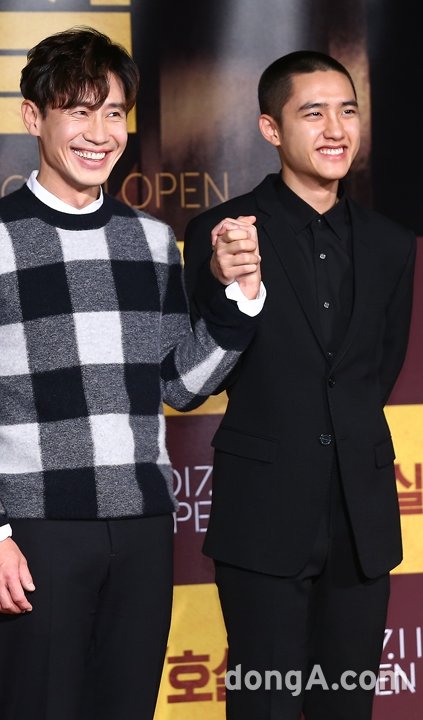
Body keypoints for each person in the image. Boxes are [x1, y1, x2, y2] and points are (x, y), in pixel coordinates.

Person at [0, 26, 264, 720]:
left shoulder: (151, 240)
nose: (99, 133)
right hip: (37, 526)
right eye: (77, 111)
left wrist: (238, 302)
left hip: (142, 524)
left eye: (113, 113)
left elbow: (177, 384)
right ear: (33, 117)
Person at [183, 50, 416, 719]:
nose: (335, 129)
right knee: (265, 704)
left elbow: (376, 370)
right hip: (263, 514)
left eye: (347, 111)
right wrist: (228, 285)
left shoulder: (391, 243)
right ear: (270, 128)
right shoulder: (224, 233)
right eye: (313, 113)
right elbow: (201, 366)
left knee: (346, 706)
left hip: (362, 518)